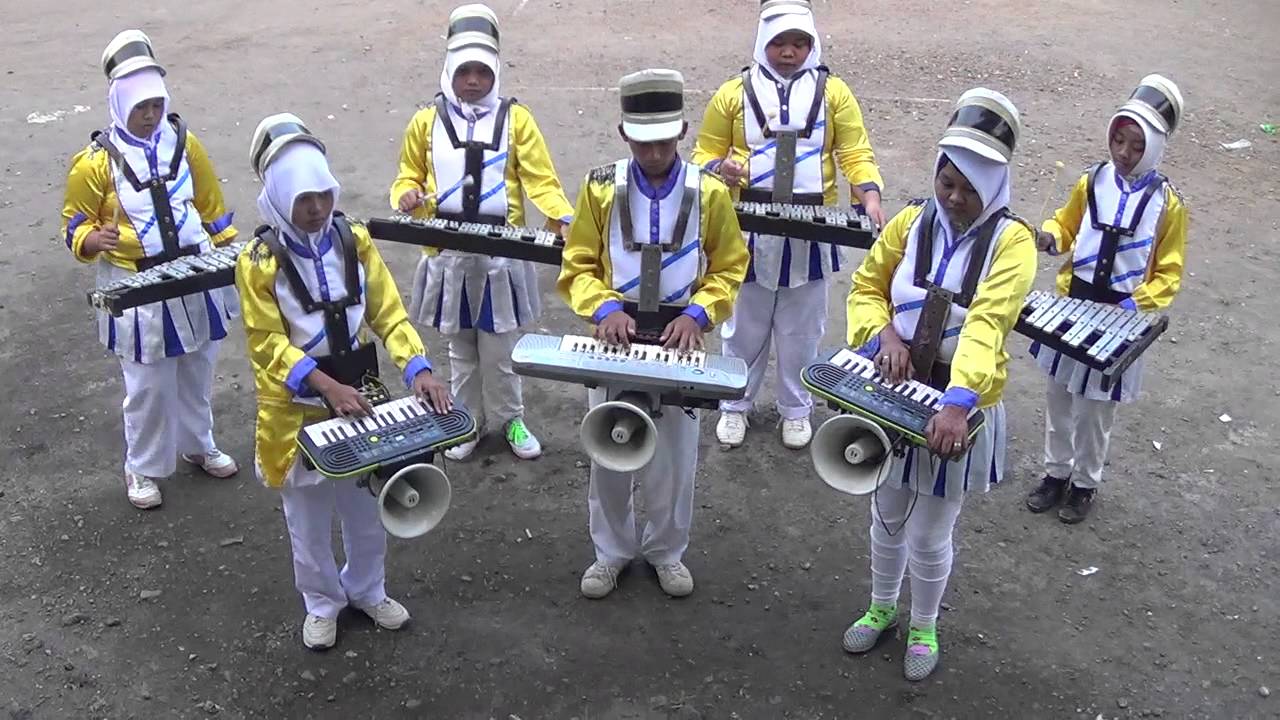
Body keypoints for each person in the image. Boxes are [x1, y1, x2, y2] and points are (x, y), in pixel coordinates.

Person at [839, 90, 1035, 681]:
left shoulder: (1013, 243)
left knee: (932, 527)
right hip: (893, 385)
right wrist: (883, 340)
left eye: (968, 188)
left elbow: (987, 322)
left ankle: (923, 622)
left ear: (995, 184)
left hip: (957, 401)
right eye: (947, 181)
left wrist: (957, 403)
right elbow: (867, 286)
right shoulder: (908, 220)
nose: (953, 198)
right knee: (887, 508)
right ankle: (880, 607)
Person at [236, 114, 452, 650]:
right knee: (306, 519)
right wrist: (325, 387)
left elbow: (388, 313)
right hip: (298, 411)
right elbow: (265, 343)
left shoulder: (354, 238)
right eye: (303, 198)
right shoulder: (257, 260)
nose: (315, 209)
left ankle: (368, 588)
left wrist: (417, 367)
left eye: (323, 195)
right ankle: (321, 602)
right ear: (281, 197)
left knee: (366, 505)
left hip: (362, 400)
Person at [556, 69, 749, 599]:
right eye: (643, 142)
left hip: (678, 338)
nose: (654, 152)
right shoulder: (598, 187)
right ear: (624, 134)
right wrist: (601, 310)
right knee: (608, 449)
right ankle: (610, 553)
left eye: (664, 141)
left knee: (675, 459)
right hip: (612, 338)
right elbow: (577, 264)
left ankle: (667, 550)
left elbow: (730, 267)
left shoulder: (710, 192)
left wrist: (699, 316)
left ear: (684, 130)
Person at [692, 0, 885, 451]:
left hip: (812, 231)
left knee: (803, 328)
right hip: (746, 229)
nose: (789, 53)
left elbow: (855, 150)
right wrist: (722, 167)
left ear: (812, 44)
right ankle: (734, 403)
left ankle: (796, 408)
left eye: (800, 43)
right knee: (743, 327)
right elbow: (703, 154)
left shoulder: (835, 93)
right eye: (780, 42)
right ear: (763, 42)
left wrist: (869, 193)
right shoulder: (731, 93)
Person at [60, 30, 240, 510]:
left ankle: (198, 443)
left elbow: (211, 206)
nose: (150, 115)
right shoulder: (93, 164)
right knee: (147, 383)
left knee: (198, 369)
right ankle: (141, 465)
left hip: (195, 274)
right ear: (120, 104)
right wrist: (90, 240)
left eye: (156, 105)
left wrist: (231, 257)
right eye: (141, 107)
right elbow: (73, 223)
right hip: (135, 286)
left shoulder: (187, 144)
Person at [389, 3, 574, 462]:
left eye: (482, 72)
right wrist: (408, 195)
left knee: (499, 350)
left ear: (495, 74)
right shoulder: (425, 122)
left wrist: (560, 219)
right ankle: (466, 421)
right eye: (464, 71)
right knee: (461, 350)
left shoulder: (517, 120)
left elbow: (540, 180)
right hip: (449, 258)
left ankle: (511, 418)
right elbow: (407, 175)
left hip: (499, 259)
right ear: (449, 70)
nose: (473, 81)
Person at [1025, 75, 1188, 524]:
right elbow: (1068, 225)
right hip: (1072, 304)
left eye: (1137, 146)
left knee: (1096, 410)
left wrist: (1137, 306)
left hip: (1121, 315)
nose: (1124, 152)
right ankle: (1055, 473)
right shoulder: (1091, 180)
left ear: (1154, 148)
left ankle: (1084, 484)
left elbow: (1169, 271)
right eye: (1119, 140)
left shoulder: (1168, 204)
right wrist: (1048, 237)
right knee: (1058, 398)